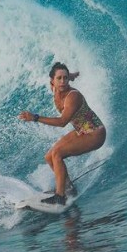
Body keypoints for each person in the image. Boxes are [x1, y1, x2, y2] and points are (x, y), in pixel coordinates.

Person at [19, 62, 106, 205]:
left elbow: (62, 122)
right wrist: (72, 75)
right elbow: (65, 76)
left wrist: (35, 117)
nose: (63, 81)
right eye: (59, 78)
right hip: (81, 130)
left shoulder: (72, 96)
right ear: (52, 81)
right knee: (49, 157)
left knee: (57, 154)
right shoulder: (55, 87)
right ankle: (68, 188)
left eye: (65, 78)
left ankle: (60, 197)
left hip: (95, 133)